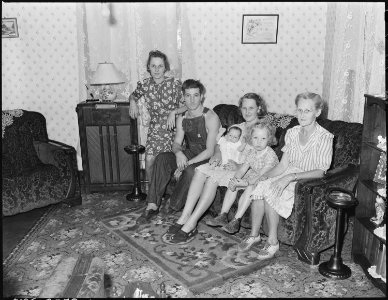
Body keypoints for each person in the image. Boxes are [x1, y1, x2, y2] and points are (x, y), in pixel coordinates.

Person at [240, 92, 334, 258]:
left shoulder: (325, 137)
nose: (302, 115)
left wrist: (290, 177)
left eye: (307, 111)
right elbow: (283, 165)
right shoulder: (292, 133)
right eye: (299, 110)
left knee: (272, 191)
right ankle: (254, 235)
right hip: (289, 172)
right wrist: (266, 175)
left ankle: (273, 242)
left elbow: (321, 171)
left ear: (317, 112)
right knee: (261, 186)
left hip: (307, 179)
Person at [165, 93, 268, 244]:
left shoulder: (263, 130)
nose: (247, 111)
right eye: (244, 108)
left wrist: (239, 166)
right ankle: (185, 216)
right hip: (228, 165)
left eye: (251, 108)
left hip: (247, 170)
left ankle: (191, 222)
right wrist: (218, 154)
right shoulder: (237, 127)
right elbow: (221, 143)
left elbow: (264, 158)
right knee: (201, 170)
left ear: (259, 109)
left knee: (212, 179)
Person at [136, 79, 221, 224]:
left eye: (195, 95)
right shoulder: (182, 117)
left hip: (207, 157)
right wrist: (178, 153)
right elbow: (176, 143)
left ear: (202, 97)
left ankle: (173, 205)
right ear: (183, 97)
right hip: (189, 153)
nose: (192, 100)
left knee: (189, 170)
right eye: (188, 95)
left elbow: (210, 150)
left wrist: (187, 163)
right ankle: (152, 205)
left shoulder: (210, 117)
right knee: (162, 158)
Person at [207, 122, 279, 235]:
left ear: (269, 139)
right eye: (255, 138)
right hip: (254, 175)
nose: (259, 142)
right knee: (233, 182)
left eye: (263, 138)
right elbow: (242, 169)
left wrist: (244, 183)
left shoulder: (270, 155)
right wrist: (235, 180)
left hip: (266, 179)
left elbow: (261, 176)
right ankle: (223, 215)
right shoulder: (252, 152)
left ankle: (236, 220)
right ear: (250, 138)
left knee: (250, 188)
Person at [128, 50, 188, 183]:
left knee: (169, 162)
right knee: (149, 160)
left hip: (173, 130)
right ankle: (152, 194)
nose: (156, 69)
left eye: (160, 66)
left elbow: (188, 106)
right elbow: (133, 95)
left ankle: (171, 191)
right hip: (155, 130)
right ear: (148, 67)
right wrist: (132, 101)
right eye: (153, 65)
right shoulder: (145, 84)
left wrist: (174, 112)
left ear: (165, 67)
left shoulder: (174, 84)